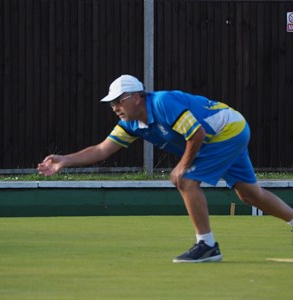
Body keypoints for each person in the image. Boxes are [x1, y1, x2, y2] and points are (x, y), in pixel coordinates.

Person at [38, 74, 293, 263]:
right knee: (249, 194)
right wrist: (65, 160)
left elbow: (197, 134)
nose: (115, 107)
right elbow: (102, 149)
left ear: (137, 97)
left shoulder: (162, 103)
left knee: (186, 180)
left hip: (226, 131)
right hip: (225, 133)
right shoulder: (131, 123)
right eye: (111, 103)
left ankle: (207, 246)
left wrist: (182, 167)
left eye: (119, 101)